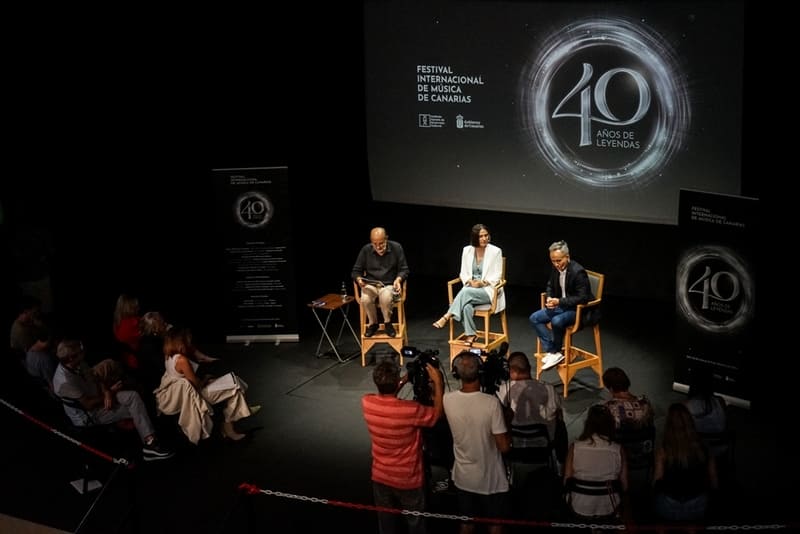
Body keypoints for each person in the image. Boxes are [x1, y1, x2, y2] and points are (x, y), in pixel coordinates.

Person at [51, 339, 174, 461]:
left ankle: (149, 439)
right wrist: (111, 392)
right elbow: (88, 404)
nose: (83, 353)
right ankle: (150, 443)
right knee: (136, 407)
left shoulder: (78, 363)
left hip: (100, 396)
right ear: (71, 358)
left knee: (133, 396)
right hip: (90, 414)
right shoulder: (64, 382)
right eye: (80, 352)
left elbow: (96, 378)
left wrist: (107, 392)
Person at [361, 359, 444, 534]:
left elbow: (386, 395)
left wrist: (403, 380)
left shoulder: (367, 403)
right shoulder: (411, 410)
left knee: (387, 525)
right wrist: (437, 382)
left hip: (380, 476)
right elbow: (436, 416)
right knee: (416, 524)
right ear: (396, 380)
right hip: (408, 478)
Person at [444, 351, 511, 534]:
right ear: (480, 372)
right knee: (495, 524)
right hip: (491, 479)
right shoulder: (491, 404)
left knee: (466, 524)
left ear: (456, 373)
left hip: (463, 478)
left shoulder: (447, 400)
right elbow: (504, 447)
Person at [155, 328, 256, 443]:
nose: (190, 343)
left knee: (233, 385)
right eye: (187, 340)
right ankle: (229, 429)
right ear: (181, 342)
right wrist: (207, 379)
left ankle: (229, 428)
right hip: (196, 397)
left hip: (187, 393)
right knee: (236, 386)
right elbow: (196, 385)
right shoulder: (181, 360)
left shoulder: (168, 356)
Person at [432, 224, 505, 346]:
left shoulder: (496, 251)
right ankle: (471, 334)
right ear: (475, 238)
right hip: (471, 288)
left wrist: (483, 282)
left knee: (465, 292)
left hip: (489, 290)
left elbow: (498, 275)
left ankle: (447, 315)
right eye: (480, 236)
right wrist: (469, 281)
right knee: (466, 306)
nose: (484, 238)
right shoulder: (467, 250)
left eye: (486, 235)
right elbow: (463, 273)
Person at [529, 240, 594, 371]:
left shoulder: (578, 272)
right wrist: (549, 298)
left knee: (556, 321)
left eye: (559, 260)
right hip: (561, 306)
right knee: (534, 318)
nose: (556, 264)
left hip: (577, 310)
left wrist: (559, 302)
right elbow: (549, 286)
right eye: (553, 261)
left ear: (567, 257)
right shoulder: (555, 268)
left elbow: (583, 298)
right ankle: (553, 351)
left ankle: (555, 351)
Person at [497, 352, 566, 472]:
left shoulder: (502, 392)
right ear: (528, 368)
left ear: (512, 370)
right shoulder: (549, 389)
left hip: (515, 449)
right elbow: (560, 419)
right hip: (544, 448)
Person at [652, 403, 718, 523]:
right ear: (690, 422)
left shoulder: (663, 450)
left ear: (669, 425)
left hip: (669, 504)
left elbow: (657, 480)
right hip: (698, 503)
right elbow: (713, 479)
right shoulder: (704, 447)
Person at [564, 404, 628, 520]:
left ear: (588, 424)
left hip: (580, 505)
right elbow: (624, 485)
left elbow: (567, 480)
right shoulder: (618, 449)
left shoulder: (575, 447)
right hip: (609, 505)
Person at [351, 227, 410, 338]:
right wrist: (359, 280)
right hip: (371, 285)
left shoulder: (396, 248)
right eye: (375, 244)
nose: (378, 247)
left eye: (381, 243)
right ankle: (373, 324)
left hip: (388, 284)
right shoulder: (366, 250)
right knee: (365, 298)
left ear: (386, 239)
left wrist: (398, 279)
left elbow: (404, 269)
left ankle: (387, 323)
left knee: (386, 297)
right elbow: (355, 271)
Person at [603, 367, 655, 431]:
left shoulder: (609, 407)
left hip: (620, 440)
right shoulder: (645, 402)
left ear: (611, 389)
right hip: (645, 440)